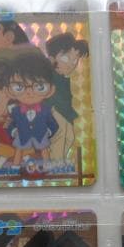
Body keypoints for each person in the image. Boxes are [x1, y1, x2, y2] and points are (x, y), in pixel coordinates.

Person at [2, 48, 60, 168]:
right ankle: (15, 166)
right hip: (22, 135)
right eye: (19, 87)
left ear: (51, 90)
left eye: (39, 86)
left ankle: (47, 165)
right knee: (19, 150)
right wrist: (14, 131)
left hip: (41, 134)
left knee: (44, 150)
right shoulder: (15, 111)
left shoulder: (45, 109)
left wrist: (48, 131)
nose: (29, 92)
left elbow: (53, 124)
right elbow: (11, 124)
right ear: (9, 91)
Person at [44, 33, 89, 162]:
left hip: (63, 111)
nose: (71, 64)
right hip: (51, 110)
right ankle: (56, 162)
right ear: (52, 58)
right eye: (65, 58)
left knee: (70, 136)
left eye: (75, 60)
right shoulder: (48, 74)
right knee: (61, 133)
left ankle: (59, 160)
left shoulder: (64, 78)